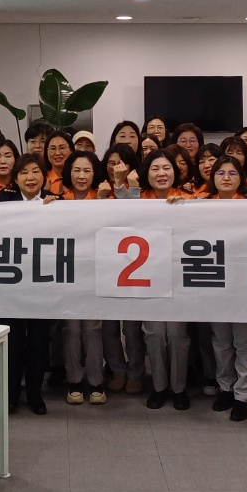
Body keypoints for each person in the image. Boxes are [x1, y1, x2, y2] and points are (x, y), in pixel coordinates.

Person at [0, 154, 59, 415]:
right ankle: (10, 395)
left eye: (36, 172)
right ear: (15, 178)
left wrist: (57, 210)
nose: (30, 178)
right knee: (13, 340)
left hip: (42, 285)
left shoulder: (56, 202)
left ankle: (34, 394)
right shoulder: (1, 202)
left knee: (39, 341)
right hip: (10, 285)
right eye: (24, 173)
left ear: (44, 175)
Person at [206, 157, 247, 421]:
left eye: (232, 173)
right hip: (215, 282)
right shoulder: (200, 206)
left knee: (245, 342)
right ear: (212, 177)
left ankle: (243, 395)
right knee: (221, 341)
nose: (226, 177)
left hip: (245, 284)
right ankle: (225, 387)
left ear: (241, 178)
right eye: (220, 173)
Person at [139, 150, 189, 411]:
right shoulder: (137, 201)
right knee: (155, 334)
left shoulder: (189, 200)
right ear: (147, 173)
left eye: (167, 168)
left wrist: (184, 210)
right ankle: (159, 386)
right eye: (155, 168)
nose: (161, 173)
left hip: (180, 279)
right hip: (148, 278)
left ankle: (179, 388)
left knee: (177, 334)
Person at [96, 143, 146, 396]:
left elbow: (131, 215)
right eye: (111, 163)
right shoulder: (100, 189)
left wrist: (123, 186)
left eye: (121, 163)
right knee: (108, 327)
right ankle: (117, 369)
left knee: (132, 327)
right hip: (105, 265)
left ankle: (136, 372)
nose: (116, 168)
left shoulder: (139, 188)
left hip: (136, 265)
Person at [60, 151, 106, 404]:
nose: (81, 176)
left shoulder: (104, 197)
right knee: (71, 328)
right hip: (67, 273)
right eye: (76, 170)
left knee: (93, 328)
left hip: (96, 273)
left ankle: (97, 380)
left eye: (87, 170)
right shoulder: (58, 199)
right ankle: (74, 380)